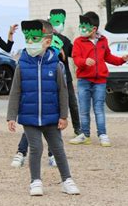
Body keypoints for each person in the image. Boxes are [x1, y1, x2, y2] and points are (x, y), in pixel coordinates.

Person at [7, 19, 80, 196]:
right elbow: (15, 91)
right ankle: (35, 181)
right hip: (29, 116)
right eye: (28, 38)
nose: (30, 42)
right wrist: (11, 116)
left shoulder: (56, 64)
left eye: (35, 38)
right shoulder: (21, 64)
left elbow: (63, 92)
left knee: (58, 148)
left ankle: (67, 180)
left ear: (47, 41)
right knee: (36, 147)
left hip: (51, 116)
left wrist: (64, 115)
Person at [69, 12, 128, 147]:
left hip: (100, 81)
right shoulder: (78, 42)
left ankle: (102, 134)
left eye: (84, 26)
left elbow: (108, 57)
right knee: (84, 109)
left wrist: (121, 60)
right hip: (84, 81)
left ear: (94, 29)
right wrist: (85, 61)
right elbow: (76, 59)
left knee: (99, 108)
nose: (81, 29)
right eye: (81, 26)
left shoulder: (103, 41)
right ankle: (85, 135)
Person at [49, 9, 82, 136]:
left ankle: (77, 128)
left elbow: (75, 53)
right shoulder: (44, 38)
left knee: (72, 103)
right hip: (49, 77)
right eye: (56, 21)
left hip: (65, 77)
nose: (59, 24)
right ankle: (51, 128)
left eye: (62, 21)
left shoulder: (65, 40)